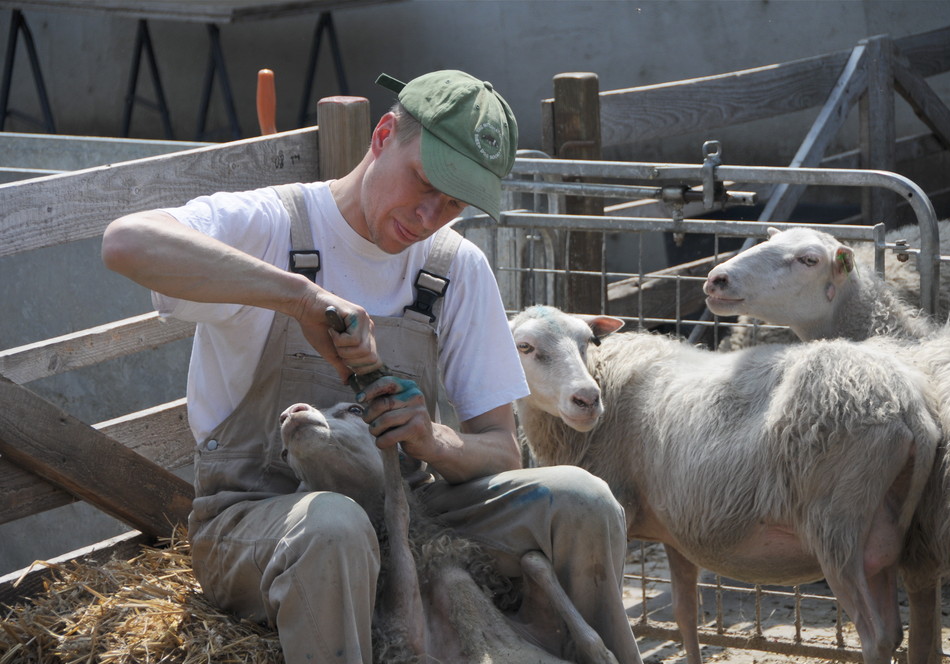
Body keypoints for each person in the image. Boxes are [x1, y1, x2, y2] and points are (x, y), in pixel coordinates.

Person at [102, 69, 642, 664]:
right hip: (262, 520)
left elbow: (499, 452)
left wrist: (431, 437)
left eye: (455, 202)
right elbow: (126, 242)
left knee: (582, 499)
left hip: (413, 511)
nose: (430, 214)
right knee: (334, 527)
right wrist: (299, 298)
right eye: (425, 182)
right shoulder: (274, 225)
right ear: (385, 134)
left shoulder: (453, 267)